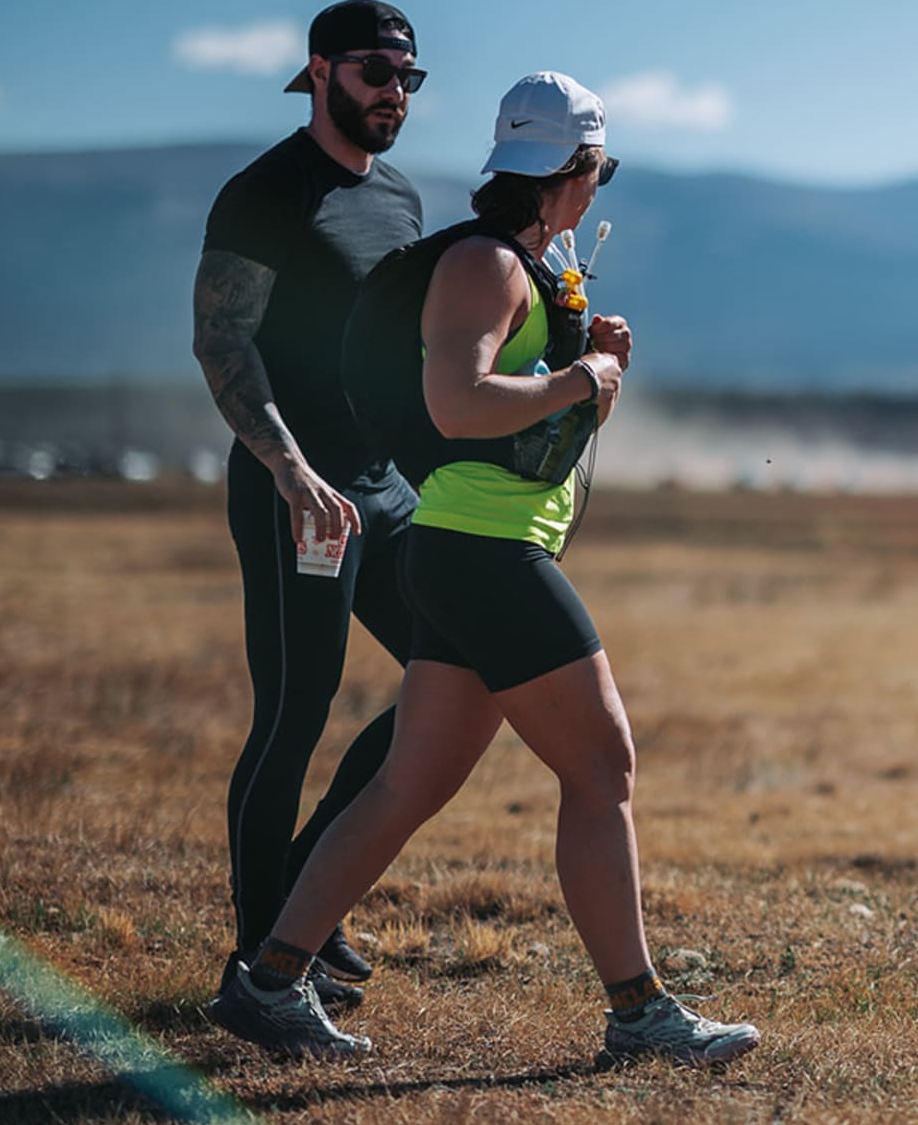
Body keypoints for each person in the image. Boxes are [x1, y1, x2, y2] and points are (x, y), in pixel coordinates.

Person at [206, 73, 762, 1069]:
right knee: (603, 767)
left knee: (405, 784)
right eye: (602, 169)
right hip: (479, 554)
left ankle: (268, 982)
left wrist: (591, 368)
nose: (601, 188)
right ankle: (640, 1013)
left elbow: (533, 430)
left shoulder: (524, 269)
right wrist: (576, 376)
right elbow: (458, 404)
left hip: (475, 549)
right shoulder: (485, 265)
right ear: (574, 169)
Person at [193, 0, 427, 1018]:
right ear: (321, 69)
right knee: (293, 715)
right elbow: (222, 342)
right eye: (377, 71)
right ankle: (260, 964)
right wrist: (288, 468)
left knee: (454, 672)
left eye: (410, 78)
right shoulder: (265, 189)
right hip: (298, 490)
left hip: (388, 486)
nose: (395, 93)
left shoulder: (406, 200)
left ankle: (303, 892)